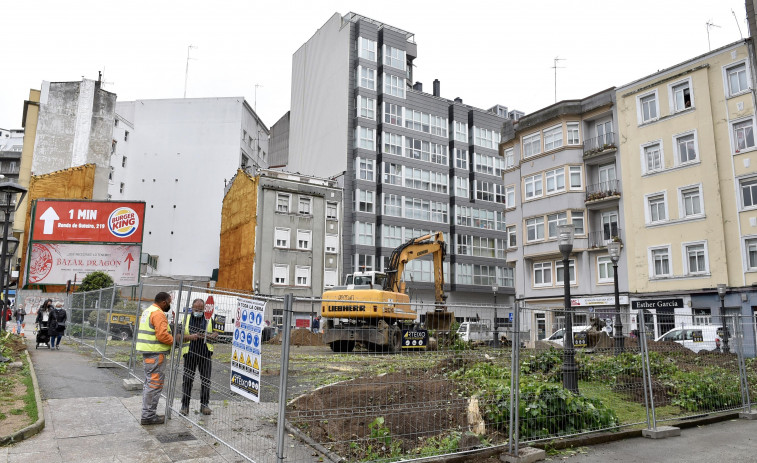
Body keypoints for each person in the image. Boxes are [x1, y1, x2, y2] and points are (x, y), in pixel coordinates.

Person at [180, 298, 217, 416]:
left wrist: (207, 336)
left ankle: (204, 405)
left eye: (201, 309)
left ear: (204, 308)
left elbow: (216, 335)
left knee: (206, 380)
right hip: (190, 354)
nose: (199, 311)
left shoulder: (209, 319)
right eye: (197, 309)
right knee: (187, 380)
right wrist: (191, 337)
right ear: (192, 308)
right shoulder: (185, 319)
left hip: (205, 354)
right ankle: (185, 406)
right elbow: (178, 336)